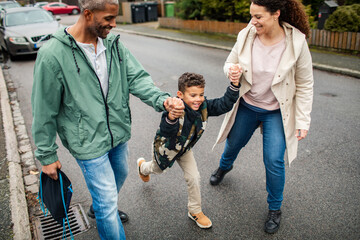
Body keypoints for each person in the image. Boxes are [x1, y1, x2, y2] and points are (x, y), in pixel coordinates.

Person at [31, 0, 183, 239]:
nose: (114, 24)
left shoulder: (113, 44)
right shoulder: (53, 54)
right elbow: (43, 109)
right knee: (108, 202)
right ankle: (104, 208)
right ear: (88, 14)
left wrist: (162, 100)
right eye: (109, 18)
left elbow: (137, 78)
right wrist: (47, 155)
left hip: (118, 133)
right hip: (87, 142)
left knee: (119, 176)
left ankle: (99, 206)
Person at [210, 0, 314, 234]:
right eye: (251, 16)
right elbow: (229, 62)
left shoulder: (296, 42)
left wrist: (303, 120)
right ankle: (224, 167)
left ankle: (275, 209)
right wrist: (232, 71)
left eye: (258, 16)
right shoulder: (246, 35)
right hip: (248, 105)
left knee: (274, 160)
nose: (253, 21)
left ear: (276, 14)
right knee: (233, 143)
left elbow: (306, 84)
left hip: (276, 111)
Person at [137, 72, 240, 229]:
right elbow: (166, 132)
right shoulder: (175, 109)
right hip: (166, 150)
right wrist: (171, 118)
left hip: (184, 150)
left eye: (201, 94)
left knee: (194, 178)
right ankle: (142, 167)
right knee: (155, 169)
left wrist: (234, 85)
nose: (198, 99)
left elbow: (223, 105)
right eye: (193, 95)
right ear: (180, 94)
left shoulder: (203, 106)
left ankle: (195, 211)